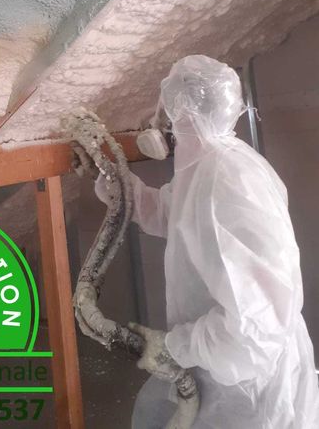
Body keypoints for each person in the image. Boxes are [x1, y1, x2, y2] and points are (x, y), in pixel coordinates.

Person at [94, 55, 319, 428]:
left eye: (164, 112)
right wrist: (119, 186)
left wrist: (175, 346)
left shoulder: (229, 181)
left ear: (181, 114)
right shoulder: (207, 166)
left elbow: (254, 328)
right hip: (223, 365)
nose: (157, 123)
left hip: (248, 388)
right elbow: (173, 215)